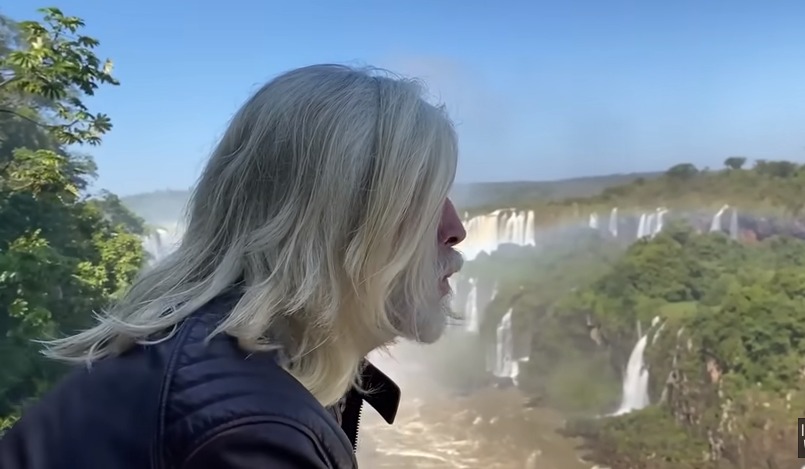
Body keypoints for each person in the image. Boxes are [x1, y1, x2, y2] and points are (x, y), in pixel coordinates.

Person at [0, 64, 467, 468]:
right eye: (425, 200)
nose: (456, 227)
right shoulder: (249, 433)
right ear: (335, 222)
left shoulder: (189, 351)